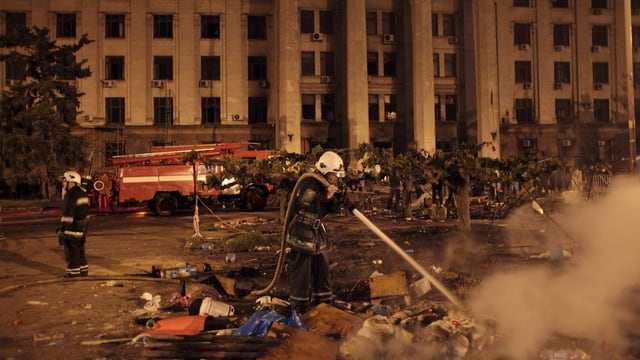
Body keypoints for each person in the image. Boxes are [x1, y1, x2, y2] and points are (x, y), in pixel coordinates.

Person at [285, 151, 347, 313]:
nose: (336, 178)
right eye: (334, 174)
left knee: (322, 269)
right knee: (302, 272)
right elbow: (305, 201)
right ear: (325, 170)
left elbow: (329, 208)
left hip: (316, 233)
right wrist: (327, 194)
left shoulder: (325, 184)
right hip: (301, 231)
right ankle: (300, 308)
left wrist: (338, 200)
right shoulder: (310, 181)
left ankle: (324, 302)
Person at [57, 170, 90, 277]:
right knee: (80, 249)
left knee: (72, 251)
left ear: (71, 181)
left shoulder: (71, 194)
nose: (63, 183)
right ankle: (83, 270)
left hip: (71, 227)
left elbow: (68, 213)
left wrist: (62, 229)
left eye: (65, 180)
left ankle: (73, 272)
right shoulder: (82, 192)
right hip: (81, 227)